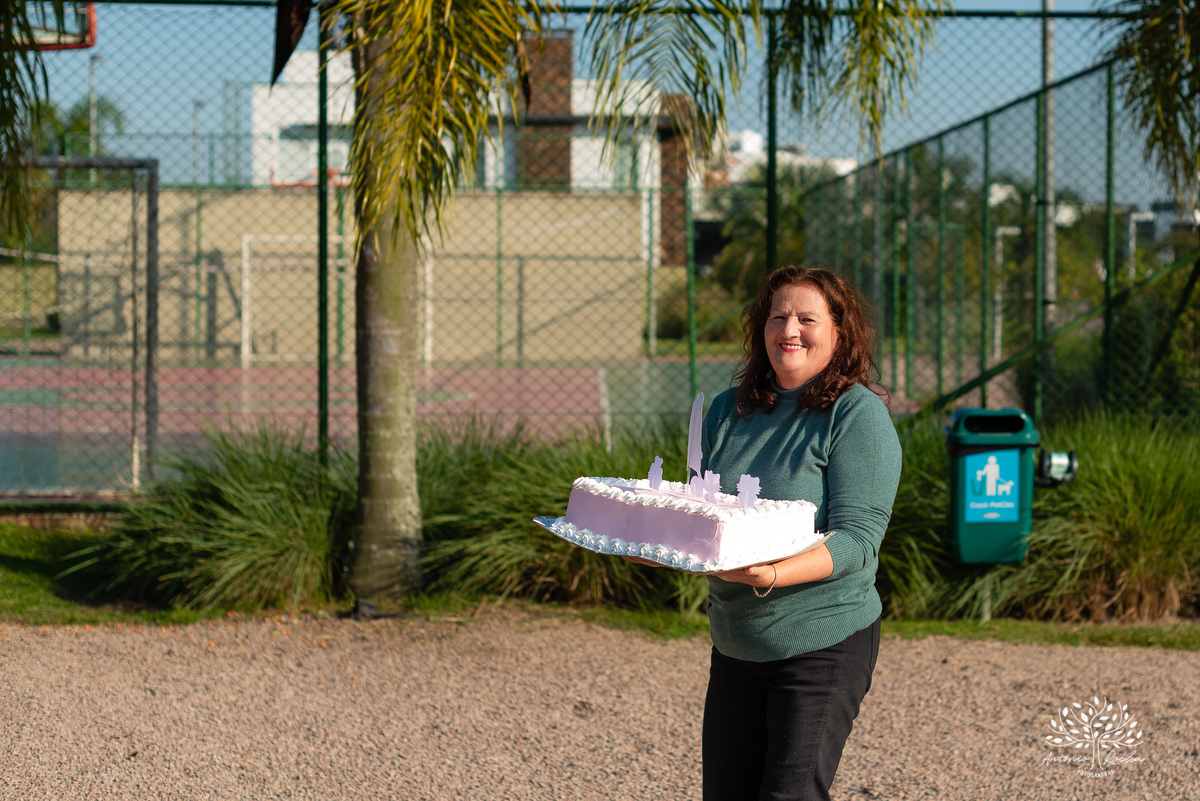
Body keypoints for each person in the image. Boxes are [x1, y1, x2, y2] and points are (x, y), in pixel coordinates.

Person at [700, 264, 902, 801]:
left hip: (822, 644)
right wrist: (654, 546)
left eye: (807, 318)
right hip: (736, 642)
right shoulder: (726, 411)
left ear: (839, 332)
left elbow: (858, 543)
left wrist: (770, 574)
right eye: (777, 317)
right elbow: (703, 513)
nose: (789, 330)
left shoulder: (857, 415)